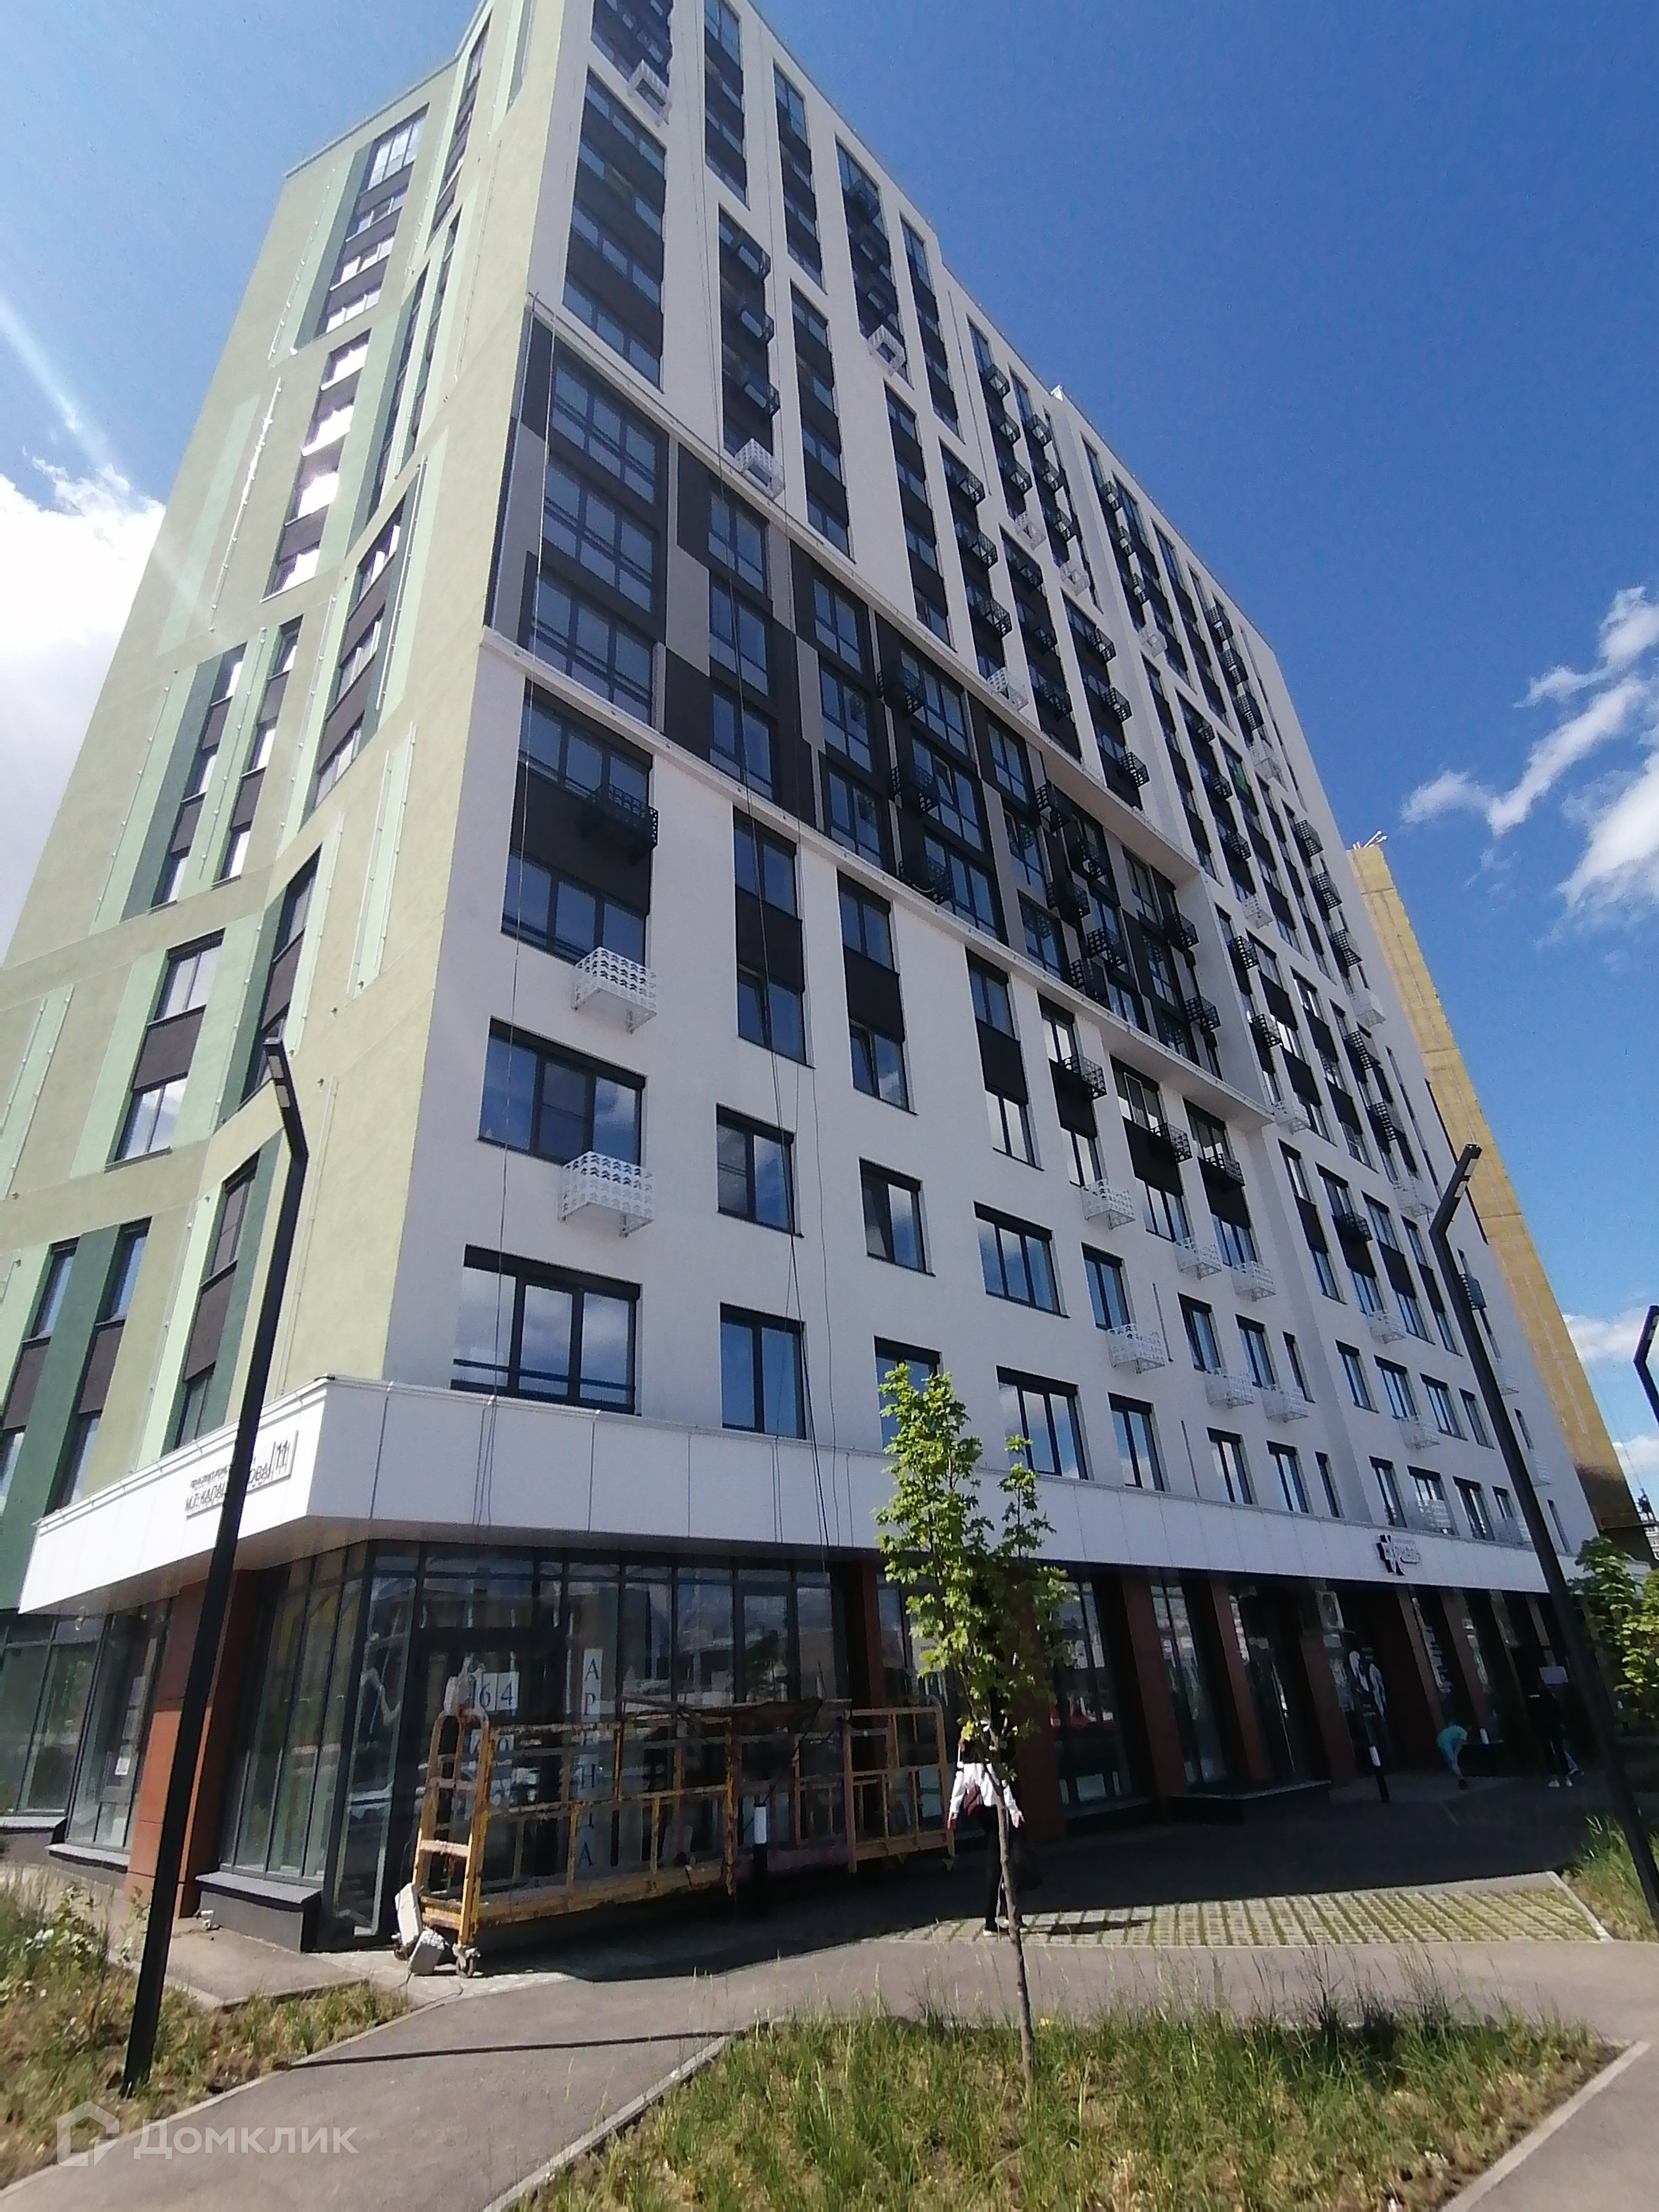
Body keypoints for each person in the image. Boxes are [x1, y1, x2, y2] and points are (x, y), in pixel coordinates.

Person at [946, 1731, 1024, 1932]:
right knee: (1002, 1859)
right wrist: (1013, 1809)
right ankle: (999, 1915)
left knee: (998, 1858)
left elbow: (960, 1776)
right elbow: (1001, 1779)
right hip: (994, 1805)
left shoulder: (965, 1738)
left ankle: (1004, 1913)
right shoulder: (990, 1737)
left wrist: (954, 1809)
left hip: (979, 1807)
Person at [1437, 1719, 1470, 1789]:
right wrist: (1455, 1755)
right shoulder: (1463, 1732)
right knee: (1453, 1761)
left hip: (1440, 1739)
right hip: (1446, 1742)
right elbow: (1459, 1746)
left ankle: (1454, 1771)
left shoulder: (1455, 1728)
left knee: (1448, 1759)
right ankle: (1461, 1780)